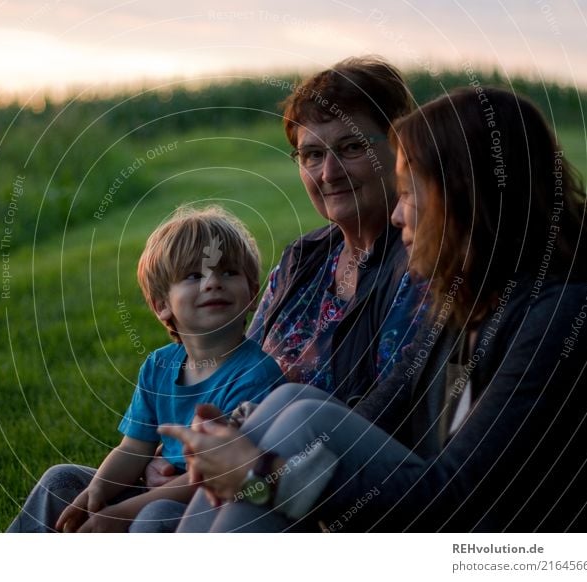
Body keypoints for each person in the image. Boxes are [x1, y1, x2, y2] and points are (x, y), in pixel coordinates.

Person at [161, 86, 587, 531]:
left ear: (465, 199)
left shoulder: (563, 317)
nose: (399, 215)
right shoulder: (465, 304)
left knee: (299, 421)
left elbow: (459, 498)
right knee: (289, 408)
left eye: (410, 194)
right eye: (311, 155)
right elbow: (379, 409)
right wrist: (249, 429)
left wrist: (265, 476)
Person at [141, 55, 425, 496]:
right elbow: (233, 366)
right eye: (312, 154)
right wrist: (180, 449)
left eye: (351, 148)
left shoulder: (417, 264)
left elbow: (392, 411)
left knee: (155, 515)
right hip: (228, 467)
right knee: (64, 484)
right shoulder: (302, 259)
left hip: (320, 489)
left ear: (399, 149)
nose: (328, 173)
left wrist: (243, 462)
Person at [7, 205, 285, 532]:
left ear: (253, 293)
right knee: (61, 480)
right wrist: (96, 491)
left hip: (213, 507)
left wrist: (121, 512)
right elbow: (133, 449)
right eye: (194, 275)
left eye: (229, 272)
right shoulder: (159, 365)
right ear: (162, 305)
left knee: (155, 516)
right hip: (152, 491)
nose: (213, 283)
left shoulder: (255, 375)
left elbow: (215, 476)